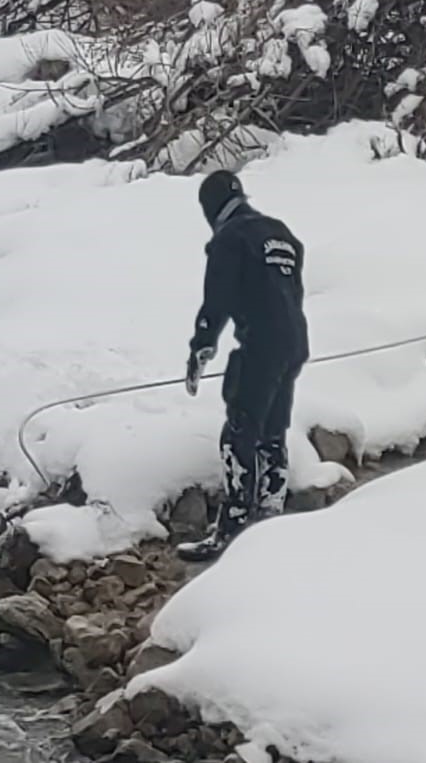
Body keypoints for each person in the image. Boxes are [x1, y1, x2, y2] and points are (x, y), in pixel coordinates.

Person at [179, 170, 309, 563]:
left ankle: (232, 528)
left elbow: (216, 301)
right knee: (273, 430)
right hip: (294, 342)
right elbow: (292, 292)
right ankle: (271, 515)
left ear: (209, 206)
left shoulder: (229, 239)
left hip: (260, 345)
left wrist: (201, 346)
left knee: (239, 432)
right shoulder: (281, 234)